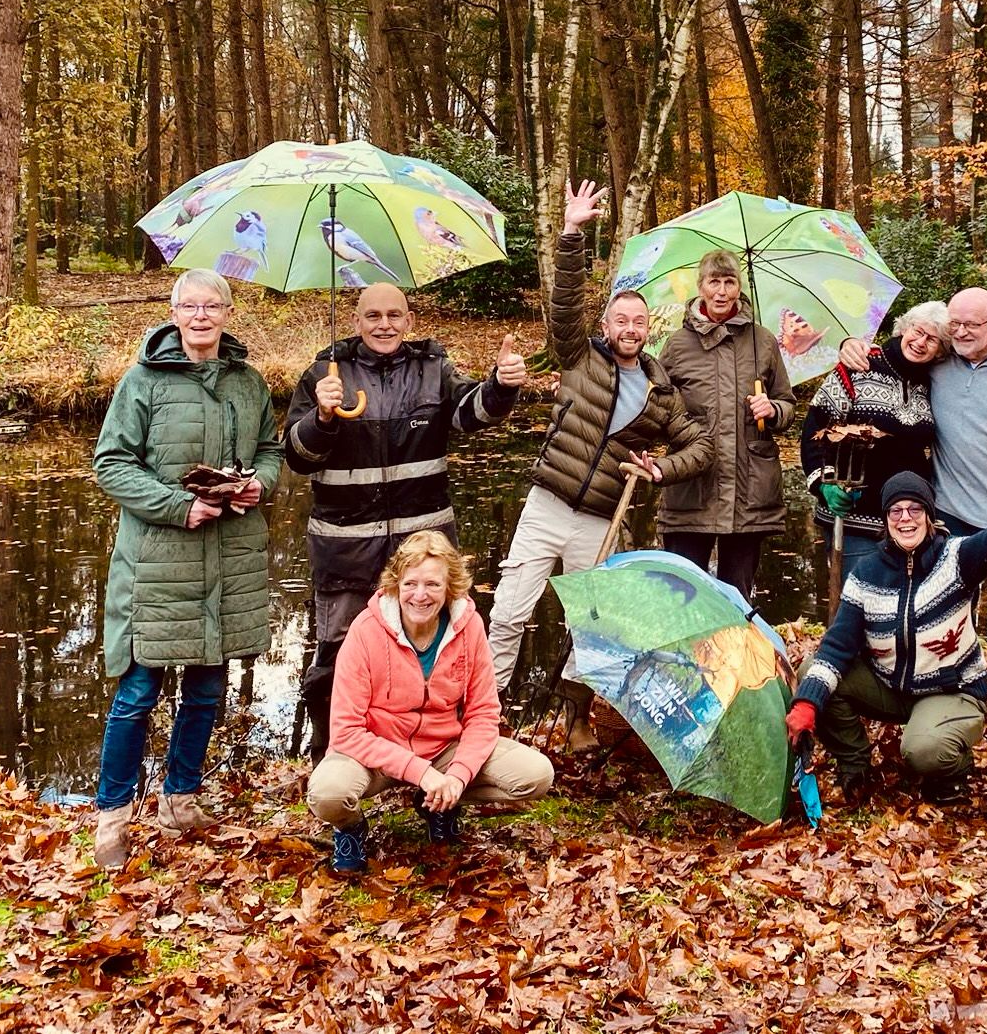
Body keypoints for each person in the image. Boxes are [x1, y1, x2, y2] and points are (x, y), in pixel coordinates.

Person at [485, 180, 714, 748]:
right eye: (621, 321)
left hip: (599, 519)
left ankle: (578, 718)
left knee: (590, 627)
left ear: (649, 328)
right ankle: (484, 717)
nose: (630, 329)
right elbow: (563, 305)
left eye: (639, 322)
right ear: (607, 326)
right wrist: (570, 235)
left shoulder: (661, 391)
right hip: (546, 504)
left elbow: (701, 447)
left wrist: (659, 470)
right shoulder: (579, 357)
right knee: (510, 611)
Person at [284, 282, 526, 763]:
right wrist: (323, 417)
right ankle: (335, 770)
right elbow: (297, 456)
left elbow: (470, 414)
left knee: (438, 659)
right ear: (356, 322)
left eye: (395, 315)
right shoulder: (323, 374)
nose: (384, 325)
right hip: (346, 550)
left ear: (410, 321)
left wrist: (501, 385)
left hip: (423, 552)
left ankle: (437, 766)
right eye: (373, 316)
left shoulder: (433, 369)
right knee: (337, 659)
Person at [91, 269, 284, 869]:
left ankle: (180, 799)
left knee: (206, 687)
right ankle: (112, 818)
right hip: (158, 559)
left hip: (230, 555)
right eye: (189, 305)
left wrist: (259, 485)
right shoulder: (142, 382)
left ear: (228, 311)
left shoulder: (249, 383)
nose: (201, 315)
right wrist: (180, 506)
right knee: (138, 691)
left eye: (212, 305)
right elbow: (112, 465)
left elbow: (270, 451)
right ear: (174, 312)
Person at [839, 287, 987, 758]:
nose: (960, 333)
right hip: (947, 520)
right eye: (955, 325)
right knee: (935, 612)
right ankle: (937, 700)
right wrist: (852, 343)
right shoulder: (939, 365)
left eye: (971, 325)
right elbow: (896, 357)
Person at [784, 433, 987, 805]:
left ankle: (951, 769)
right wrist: (807, 704)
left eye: (915, 509)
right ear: (885, 520)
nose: (905, 519)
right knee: (812, 675)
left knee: (921, 751)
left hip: (951, 689)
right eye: (896, 511)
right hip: (892, 687)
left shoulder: (957, 559)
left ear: (929, 516)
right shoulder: (866, 575)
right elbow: (836, 647)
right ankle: (855, 765)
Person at [307, 531, 554, 874]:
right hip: (376, 755)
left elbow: (483, 714)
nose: (420, 596)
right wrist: (420, 774)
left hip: (442, 748)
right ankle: (350, 829)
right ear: (395, 584)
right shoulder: (365, 631)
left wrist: (456, 776)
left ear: (450, 587)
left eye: (433, 585)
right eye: (410, 584)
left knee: (535, 775)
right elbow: (348, 732)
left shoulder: (468, 627)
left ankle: (439, 804)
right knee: (327, 793)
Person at [658, 250, 797, 600]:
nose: (721, 291)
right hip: (691, 490)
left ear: (740, 287)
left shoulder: (763, 341)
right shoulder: (676, 346)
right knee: (682, 600)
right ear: (700, 287)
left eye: (729, 282)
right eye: (714, 281)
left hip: (749, 495)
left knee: (737, 603)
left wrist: (773, 409)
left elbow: (789, 406)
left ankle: (734, 657)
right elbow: (658, 411)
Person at [800, 301, 947, 582]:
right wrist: (823, 484)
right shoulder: (860, 365)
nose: (921, 342)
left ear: (940, 351)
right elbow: (814, 430)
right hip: (854, 517)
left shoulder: (930, 382)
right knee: (856, 606)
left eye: (932, 340)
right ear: (904, 329)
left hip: (908, 521)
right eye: (918, 332)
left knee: (896, 612)